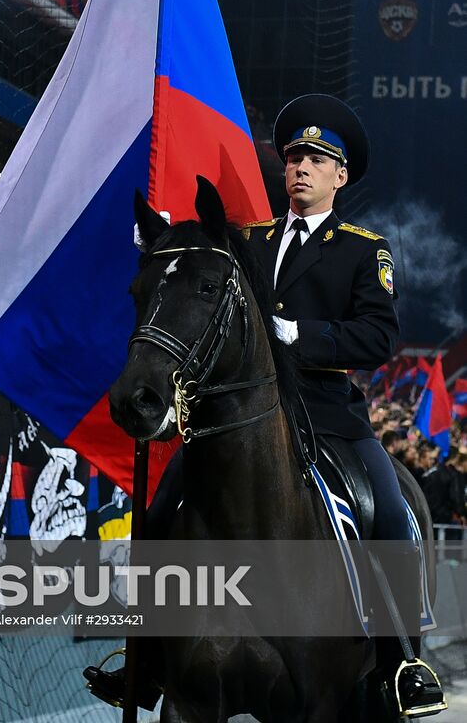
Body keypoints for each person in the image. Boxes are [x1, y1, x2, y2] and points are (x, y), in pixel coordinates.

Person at [86, 94, 444, 717]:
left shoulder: (364, 250)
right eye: (296, 157)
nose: (301, 167)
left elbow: (378, 337)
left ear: (341, 176)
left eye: (317, 159)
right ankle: (144, 662)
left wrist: (299, 336)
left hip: (329, 416)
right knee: (160, 514)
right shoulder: (246, 241)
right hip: (237, 417)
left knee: (393, 515)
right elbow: (197, 281)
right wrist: (171, 237)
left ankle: (403, 663)